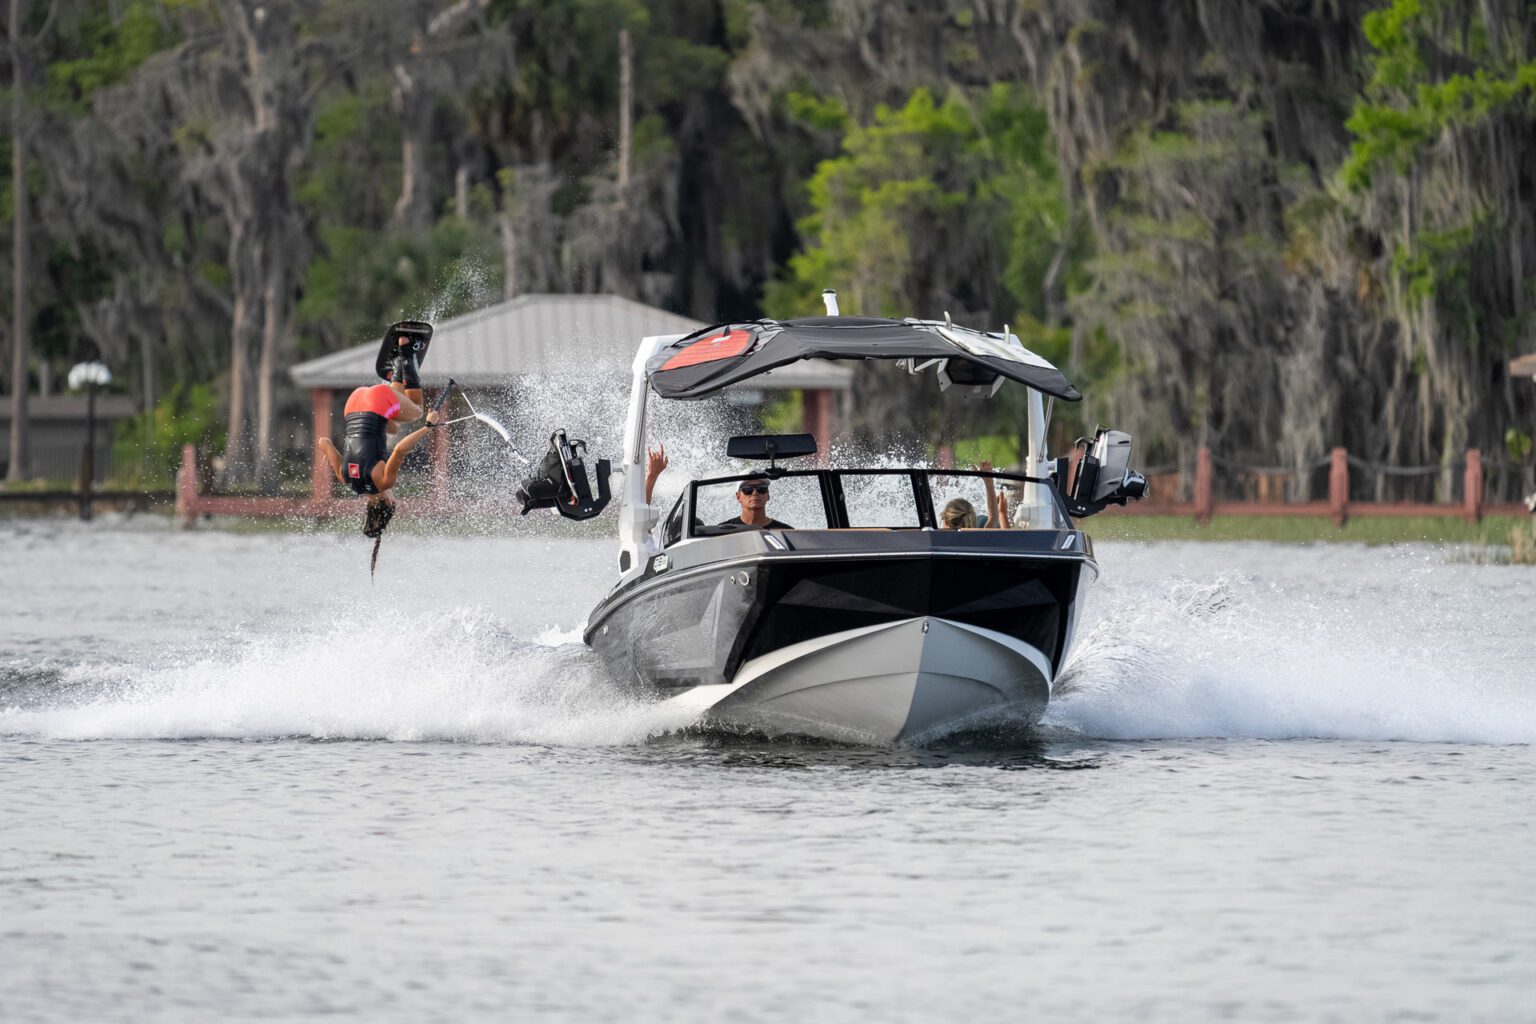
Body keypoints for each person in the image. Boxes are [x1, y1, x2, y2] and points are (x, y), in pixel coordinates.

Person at [315, 331, 444, 572]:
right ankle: (397, 369)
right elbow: (323, 441)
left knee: (415, 408)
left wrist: (429, 426)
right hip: (354, 403)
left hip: (376, 403)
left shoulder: (384, 481)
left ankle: (406, 349)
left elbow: (401, 449)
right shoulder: (346, 479)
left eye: (393, 500)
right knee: (392, 424)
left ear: (386, 502)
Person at [719, 473, 793, 529]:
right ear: (738, 497)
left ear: (767, 495)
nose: (755, 493)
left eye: (761, 489)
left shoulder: (786, 531)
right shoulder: (723, 530)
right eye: (748, 490)